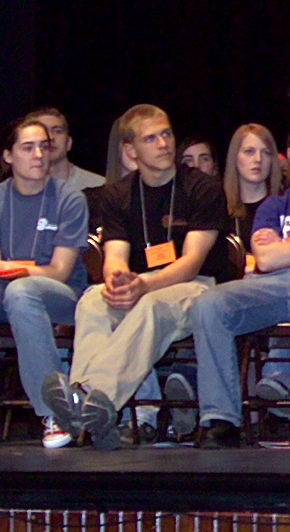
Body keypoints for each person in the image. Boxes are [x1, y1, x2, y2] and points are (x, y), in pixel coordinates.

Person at [42, 105, 234, 450]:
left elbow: (191, 263)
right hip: (142, 284)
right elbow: (114, 255)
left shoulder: (201, 188)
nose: (163, 144)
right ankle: (90, 404)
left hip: (198, 286)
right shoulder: (118, 194)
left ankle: (86, 395)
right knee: (93, 301)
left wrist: (143, 285)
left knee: (151, 306)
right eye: (151, 138)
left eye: (166, 134)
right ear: (130, 150)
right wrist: (117, 281)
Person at [189, 169, 290, 449]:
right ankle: (220, 418)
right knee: (208, 304)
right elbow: (265, 259)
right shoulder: (276, 204)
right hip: (271, 282)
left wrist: (285, 247)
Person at [0, 118, 89, 448]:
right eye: (28, 148)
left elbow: (59, 271)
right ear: (8, 156)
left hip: (60, 296)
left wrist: (10, 268)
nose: (38, 155)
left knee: (21, 291)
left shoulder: (69, 199)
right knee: (16, 293)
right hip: (8, 295)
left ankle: (55, 411)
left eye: (44, 147)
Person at [223, 124, 282, 255]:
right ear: (235, 157)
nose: (258, 159)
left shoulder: (285, 205)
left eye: (266, 153)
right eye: (249, 151)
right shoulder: (220, 208)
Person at [26, 108, 105, 190]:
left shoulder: (99, 187)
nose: (50, 137)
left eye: (57, 131)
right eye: (41, 131)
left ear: (68, 143)